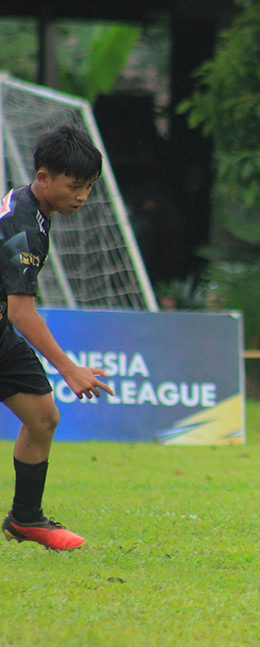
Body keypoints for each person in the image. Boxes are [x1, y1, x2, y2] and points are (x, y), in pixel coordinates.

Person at [0, 125, 115, 550]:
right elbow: (22, 310)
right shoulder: (24, 227)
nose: (82, 196)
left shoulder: (29, 203)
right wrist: (70, 369)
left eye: (88, 187)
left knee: (43, 417)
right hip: (5, 322)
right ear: (44, 177)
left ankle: (25, 520)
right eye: (75, 186)